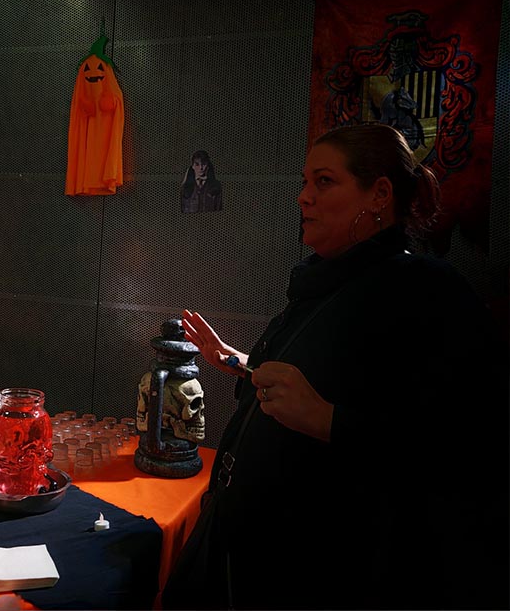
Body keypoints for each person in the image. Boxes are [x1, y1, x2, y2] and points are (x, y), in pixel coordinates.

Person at [162, 123, 508, 610]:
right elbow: (323, 377)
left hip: (328, 575)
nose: (303, 197)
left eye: (324, 182)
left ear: (379, 194)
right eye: (305, 182)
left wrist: (329, 421)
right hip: (246, 555)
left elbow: (467, 444)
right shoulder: (327, 281)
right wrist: (238, 363)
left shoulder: (425, 292)